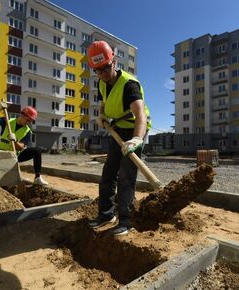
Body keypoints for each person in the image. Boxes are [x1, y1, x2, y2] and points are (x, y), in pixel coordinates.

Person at [86, 40, 151, 236]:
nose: (103, 73)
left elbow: (140, 115)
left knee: (126, 176)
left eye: (106, 67)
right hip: (117, 128)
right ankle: (106, 215)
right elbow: (104, 102)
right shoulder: (101, 82)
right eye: (98, 70)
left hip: (134, 129)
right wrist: (103, 115)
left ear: (114, 62)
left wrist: (137, 139)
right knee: (108, 173)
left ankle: (126, 220)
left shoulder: (129, 84)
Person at [0, 102, 48, 185]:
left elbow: (21, 147)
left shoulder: (27, 131)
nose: (29, 122)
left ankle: (37, 177)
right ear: (22, 115)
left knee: (37, 151)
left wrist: (15, 141)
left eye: (31, 121)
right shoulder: (7, 120)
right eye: (28, 120)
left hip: (15, 156)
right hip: (2, 154)